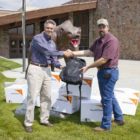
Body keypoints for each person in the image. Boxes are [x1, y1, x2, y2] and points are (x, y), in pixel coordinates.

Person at [72, 18, 124, 132]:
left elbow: (104, 60)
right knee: (110, 96)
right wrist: (73, 53)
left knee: (106, 99)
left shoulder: (112, 41)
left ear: (108, 27)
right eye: (99, 26)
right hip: (103, 72)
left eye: (103, 26)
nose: (101, 29)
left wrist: (88, 67)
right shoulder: (98, 41)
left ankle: (105, 126)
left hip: (108, 72)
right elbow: (89, 52)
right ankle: (119, 118)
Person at [24, 19, 73, 133]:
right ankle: (28, 123)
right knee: (32, 97)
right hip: (35, 68)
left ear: (53, 29)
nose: (49, 30)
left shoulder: (52, 42)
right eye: (48, 28)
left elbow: (53, 57)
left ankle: (44, 119)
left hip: (46, 70)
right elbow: (47, 51)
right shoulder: (37, 39)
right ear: (44, 28)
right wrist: (64, 52)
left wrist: (59, 65)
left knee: (46, 96)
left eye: (51, 28)